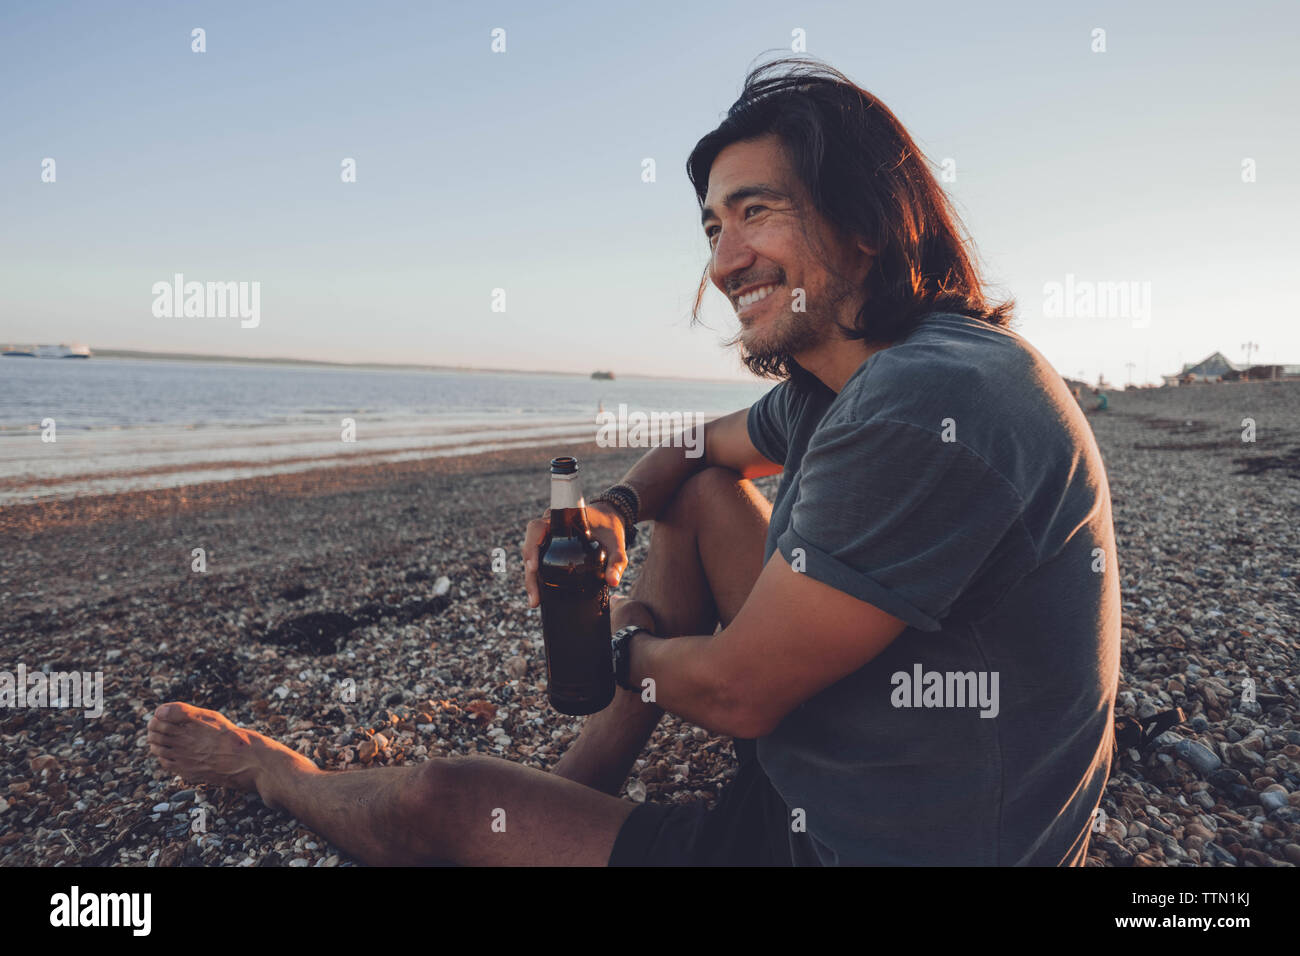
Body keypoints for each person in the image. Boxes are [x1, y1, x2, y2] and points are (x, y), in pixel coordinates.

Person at [148, 57, 1119, 866]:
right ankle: (586, 777)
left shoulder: (922, 401)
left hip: (868, 846)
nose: (725, 260)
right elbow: (696, 447)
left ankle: (273, 770)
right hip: (892, 765)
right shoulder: (867, 375)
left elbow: (740, 691)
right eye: (711, 226)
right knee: (696, 492)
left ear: (865, 220)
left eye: (756, 213)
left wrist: (612, 643)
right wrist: (613, 509)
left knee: (444, 798)